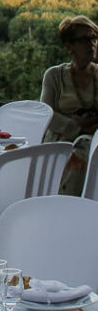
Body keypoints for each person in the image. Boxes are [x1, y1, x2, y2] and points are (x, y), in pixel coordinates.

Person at [40, 15, 98, 194]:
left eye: (94, 38)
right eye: (84, 39)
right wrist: (76, 127)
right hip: (60, 140)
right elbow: (46, 113)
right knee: (78, 152)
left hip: (93, 140)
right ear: (69, 46)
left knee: (85, 146)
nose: (91, 44)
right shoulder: (54, 76)